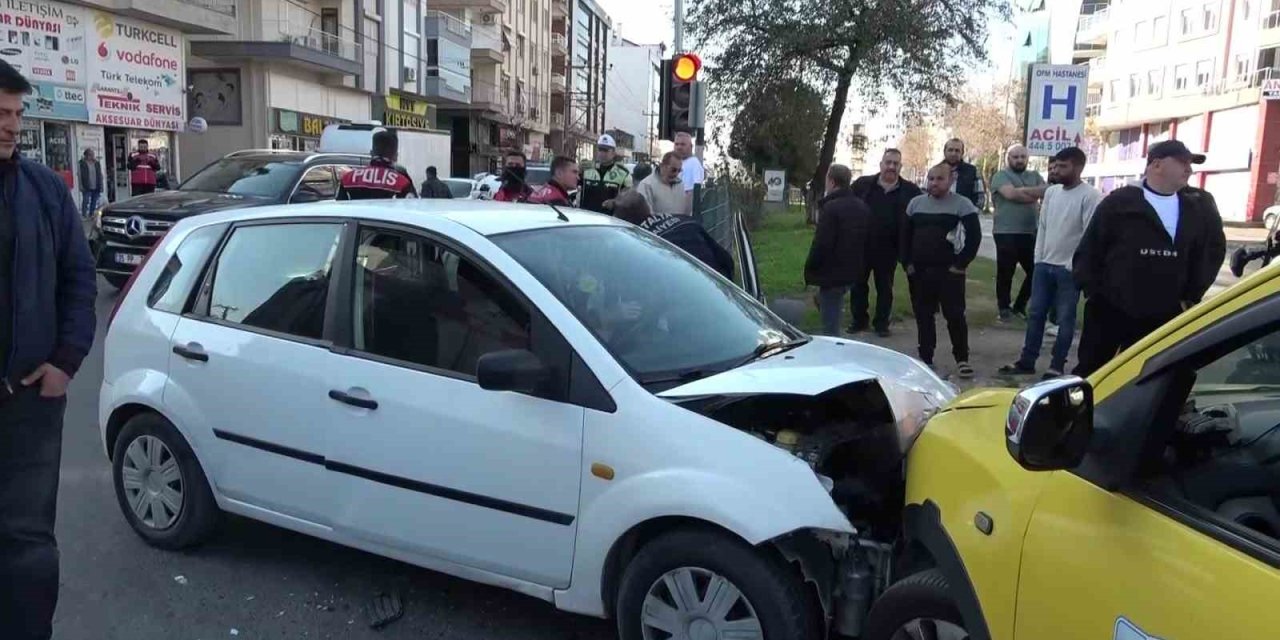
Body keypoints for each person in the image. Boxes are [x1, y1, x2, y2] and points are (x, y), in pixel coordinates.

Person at [0, 60, 97, 639]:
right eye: (0, 113)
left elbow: (79, 280)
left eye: (15, 113)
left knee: (28, 541)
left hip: (31, 401)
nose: (11, 125)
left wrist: (65, 363)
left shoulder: (45, 191)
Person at [1072, 140, 1226, 377]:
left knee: (1150, 377)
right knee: (1093, 372)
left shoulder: (1199, 204)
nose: (1189, 169)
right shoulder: (1119, 202)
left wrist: (1191, 296)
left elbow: (1213, 250)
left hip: (1166, 315)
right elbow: (1090, 250)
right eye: (1182, 162)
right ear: (1156, 165)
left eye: (1191, 164)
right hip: (1111, 311)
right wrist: (1095, 293)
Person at [999, 147, 1102, 379]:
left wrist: (1075, 266)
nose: (1056, 171)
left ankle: (1056, 365)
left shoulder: (1090, 196)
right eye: (1055, 166)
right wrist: (1038, 259)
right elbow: (1043, 227)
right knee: (1036, 314)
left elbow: (1089, 235)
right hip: (1044, 265)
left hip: (1069, 269)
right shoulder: (1052, 193)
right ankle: (1027, 361)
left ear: (1078, 167)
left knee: (1065, 319)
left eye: (1063, 166)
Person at [902, 162, 982, 377]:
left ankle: (962, 358)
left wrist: (960, 265)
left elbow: (974, 238)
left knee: (955, 315)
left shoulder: (962, 205)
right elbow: (905, 236)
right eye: (931, 179)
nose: (934, 183)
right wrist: (907, 263)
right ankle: (926, 357)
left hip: (949, 272)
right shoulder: (915, 204)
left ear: (950, 180)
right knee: (923, 315)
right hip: (920, 271)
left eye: (940, 179)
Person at [849, 148, 922, 336]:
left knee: (885, 287)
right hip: (861, 245)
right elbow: (848, 207)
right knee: (858, 285)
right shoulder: (862, 185)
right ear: (881, 164)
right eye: (888, 162)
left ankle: (881, 324)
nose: (891, 166)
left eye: (895, 163)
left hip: (890, 248)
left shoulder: (911, 191)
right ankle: (859, 321)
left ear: (900, 166)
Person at [804, 164, 872, 336]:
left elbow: (822, 243)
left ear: (832, 182)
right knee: (831, 305)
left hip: (832, 272)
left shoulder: (831, 208)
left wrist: (810, 268)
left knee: (830, 328)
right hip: (852, 270)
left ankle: (833, 350)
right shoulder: (862, 207)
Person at [614, 190, 734, 278]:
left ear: (623, 220)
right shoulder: (684, 220)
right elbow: (726, 259)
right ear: (647, 207)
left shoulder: (638, 244)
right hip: (716, 286)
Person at [989, 144, 1048, 322]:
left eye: (1023, 157)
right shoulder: (1000, 176)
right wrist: (1032, 195)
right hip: (1005, 231)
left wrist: (1022, 191)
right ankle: (1004, 308)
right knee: (1006, 271)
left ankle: (1019, 306)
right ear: (1008, 158)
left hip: (1030, 231)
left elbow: (1046, 191)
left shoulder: (1034, 175)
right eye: (1015, 157)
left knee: (1036, 271)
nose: (1020, 160)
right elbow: (1010, 195)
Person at [337, 130, 417, 200]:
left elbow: (339, 207)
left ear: (371, 153)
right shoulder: (402, 182)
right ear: (395, 156)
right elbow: (412, 207)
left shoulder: (348, 179)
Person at [580, 134, 633, 213]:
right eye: (600, 149)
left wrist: (615, 203)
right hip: (587, 217)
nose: (602, 153)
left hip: (610, 218)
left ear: (613, 153)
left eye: (605, 150)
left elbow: (629, 199)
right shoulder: (586, 170)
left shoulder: (623, 174)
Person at [942, 138, 985, 211]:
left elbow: (980, 198)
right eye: (950, 150)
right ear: (944, 152)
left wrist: (970, 214)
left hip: (964, 215)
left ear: (962, 153)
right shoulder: (934, 171)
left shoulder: (973, 172)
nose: (953, 153)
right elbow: (925, 194)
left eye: (957, 151)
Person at [674, 131, 704, 214]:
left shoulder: (693, 164)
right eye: (676, 144)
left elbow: (689, 194)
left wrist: (683, 217)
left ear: (691, 146)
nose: (679, 147)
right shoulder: (677, 163)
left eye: (683, 144)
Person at [77, 148, 103, 219]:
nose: (92, 156)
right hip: (86, 185)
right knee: (86, 200)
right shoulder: (82, 163)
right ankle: (84, 214)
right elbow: (79, 175)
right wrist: (80, 185)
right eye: (90, 155)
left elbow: (100, 175)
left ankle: (91, 214)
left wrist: (101, 185)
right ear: (86, 155)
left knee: (94, 201)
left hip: (96, 185)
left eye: (92, 154)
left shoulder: (97, 163)